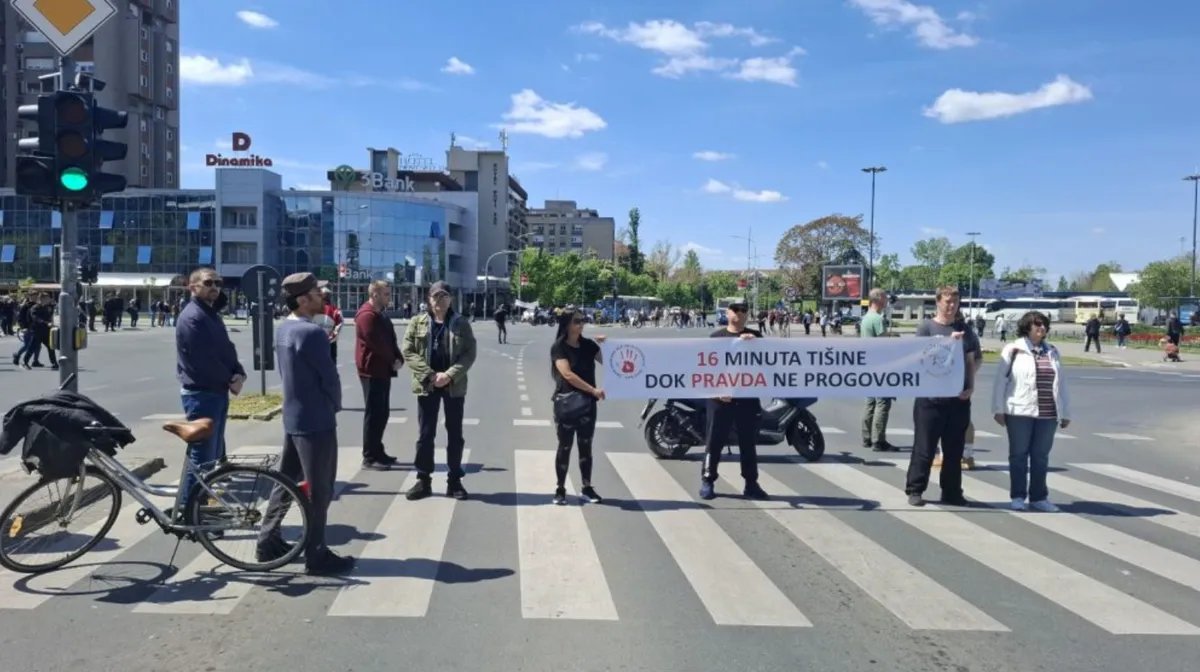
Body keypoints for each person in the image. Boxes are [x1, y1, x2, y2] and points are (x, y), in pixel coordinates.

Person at [257, 272, 355, 575]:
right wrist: (334, 405)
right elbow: (329, 378)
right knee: (320, 489)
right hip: (316, 420)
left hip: (294, 416)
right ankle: (317, 554)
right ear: (302, 299)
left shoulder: (284, 329)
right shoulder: (311, 333)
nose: (321, 297)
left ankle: (267, 541)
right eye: (316, 293)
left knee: (284, 481)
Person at [175, 268, 246, 509]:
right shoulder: (193, 317)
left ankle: (195, 506)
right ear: (192, 287)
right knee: (202, 458)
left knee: (207, 456)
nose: (214, 286)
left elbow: (226, 349)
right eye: (208, 283)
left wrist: (239, 371)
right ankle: (189, 510)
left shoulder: (210, 314)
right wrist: (230, 378)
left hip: (214, 392)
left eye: (217, 282)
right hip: (201, 394)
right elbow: (203, 360)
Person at [401, 281, 477, 500]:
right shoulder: (417, 322)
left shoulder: (461, 323)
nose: (439, 301)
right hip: (428, 384)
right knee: (425, 434)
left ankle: (454, 481)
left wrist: (449, 375)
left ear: (450, 299)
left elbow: (469, 353)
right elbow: (408, 350)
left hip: (453, 385)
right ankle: (423, 480)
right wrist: (431, 375)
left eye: (443, 296)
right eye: (435, 296)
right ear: (429, 299)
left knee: (455, 434)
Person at [905, 286, 979, 507]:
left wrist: (970, 386)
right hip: (930, 400)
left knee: (954, 450)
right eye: (947, 301)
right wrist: (946, 342)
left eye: (955, 302)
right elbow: (919, 357)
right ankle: (915, 489)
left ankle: (952, 492)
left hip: (958, 400)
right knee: (924, 448)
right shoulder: (926, 328)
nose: (951, 306)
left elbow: (972, 361)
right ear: (938, 302)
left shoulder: (965, 329)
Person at [991, 311, 1071, 512]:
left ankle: (1039, 497)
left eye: (1044, 325)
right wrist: (998, 409)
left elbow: (1061, 384)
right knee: (1018, 455)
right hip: (1019, 411)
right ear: (1027, 327)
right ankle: (1018, 496)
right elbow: (1000, 381)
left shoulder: (1052, 351)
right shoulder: (1013, 350)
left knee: (1040, 456)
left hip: (1048, 413)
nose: (1042, 328)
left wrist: (1066, 412)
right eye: (1037, 325)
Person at [699, 300, 768, 500]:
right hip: (720, 399)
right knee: (714, 441)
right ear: (728, 313)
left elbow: (765, 365)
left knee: (748, 442)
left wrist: (755, 345)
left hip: (746, 398)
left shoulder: (755, 337)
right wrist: (718, 389)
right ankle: (707, 480)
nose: (739, 314)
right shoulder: (716, 337)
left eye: (744, 310)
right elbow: (706, 369)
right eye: (735, 310)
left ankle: (751, 483)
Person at [549, 308, 607, 505]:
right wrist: (592, 390)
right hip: (567, 404)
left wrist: (607, 345)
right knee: (564, 447)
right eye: (576, 321)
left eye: (583, 320)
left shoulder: (589, 345)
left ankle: (587, 487)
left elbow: (611, 362)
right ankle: (560, 488)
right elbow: (567, 375)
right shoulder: (559, 347)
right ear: (567, 324)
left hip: (588, 405)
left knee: (586, 446)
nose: (581, 324)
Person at [355, 280, 401, 470]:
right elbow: (376, 342)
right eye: (386, 294)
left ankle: (378, 450)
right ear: (375, 294)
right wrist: (393, 359)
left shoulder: (380, 314)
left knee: (382, 413)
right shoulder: (367, 315)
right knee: (374, 414)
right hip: (371, 370)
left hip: (382, 369)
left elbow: (390, 339)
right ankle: (369, 456)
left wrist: (398, 357)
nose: (389, 297)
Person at [860, 288, 896, 452]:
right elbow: (884, 344)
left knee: (870, 402)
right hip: (880, 365)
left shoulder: (866, 318)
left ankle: (866, 437)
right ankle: (879, 440)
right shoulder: (878, 319)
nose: (887, 300)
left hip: (868, 364)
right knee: (882, 402)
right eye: (885, 297)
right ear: (879, 299)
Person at [316, 287, 344, 363]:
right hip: (331, 344)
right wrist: (331, 337)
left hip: (316, 343)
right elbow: (340, 324)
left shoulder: (314, 310)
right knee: (331, 367)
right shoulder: (336, 311)